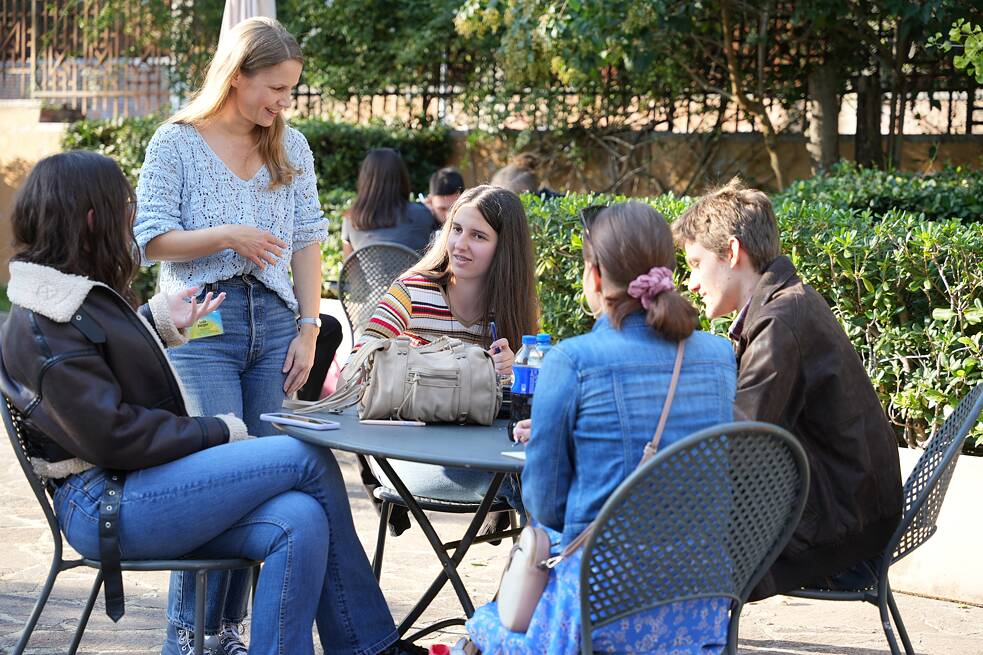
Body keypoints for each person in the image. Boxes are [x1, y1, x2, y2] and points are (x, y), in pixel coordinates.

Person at [0, 151, 422, 655]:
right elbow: (113, 436)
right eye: (125, 210)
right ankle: (369, 646)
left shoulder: (69, 300)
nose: (130, 224)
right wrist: (220, 430)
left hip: (130, 486)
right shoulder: (44, 320)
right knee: (305, 455)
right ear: (93, 220)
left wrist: (158, 321)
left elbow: (100, 376)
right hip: (105, 503)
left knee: (301, 519)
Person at [132, 18, 328, 652]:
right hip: (202, 322)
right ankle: (189, 636)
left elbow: (307, 242)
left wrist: (308, 326)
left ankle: (226, 634)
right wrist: (229, 235)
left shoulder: (291, 145)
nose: (283, 103)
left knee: (266, 484)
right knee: (214, 483)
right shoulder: (177, 142)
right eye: (274, 88)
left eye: (291, 91)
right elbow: (150, 240)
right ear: (237, 75)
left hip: (274, 325)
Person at [465, 202, 735, 654]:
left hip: (597, 617)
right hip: (698, 615)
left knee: (479, 631)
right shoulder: (719, 356)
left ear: (593, 276)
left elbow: (545, 507)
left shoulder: (573, 361)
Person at [671, 179, 903, 600]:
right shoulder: (785, 303)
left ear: (733, 253)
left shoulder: (778, 322)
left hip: (840, 541)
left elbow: (738, 446)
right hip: (856, 517)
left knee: (662, 546)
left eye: (694, 263)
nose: (691, 282)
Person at [354, 184, 537, 532]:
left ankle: (528, 577)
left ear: (505, 249)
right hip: (409, 460)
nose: (459, 244)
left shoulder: (508, 309)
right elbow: (360, 361)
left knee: (548, 469)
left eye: (478, 236)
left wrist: (516, 373)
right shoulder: (411, 291)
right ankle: (538, 576)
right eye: (456, 229)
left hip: (482, 461)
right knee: (536, 484)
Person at [342, 148, 438, 256]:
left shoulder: (352, 220)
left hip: (367, 274)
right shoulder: (422, 215)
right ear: (401, 177)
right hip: (412, 273)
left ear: (364, 179)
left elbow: (350, 269)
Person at [489, 153, 561, 201]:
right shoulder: (529, 175)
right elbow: (535, 195)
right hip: (510, 202)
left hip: (494, 199)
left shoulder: (505, 170)